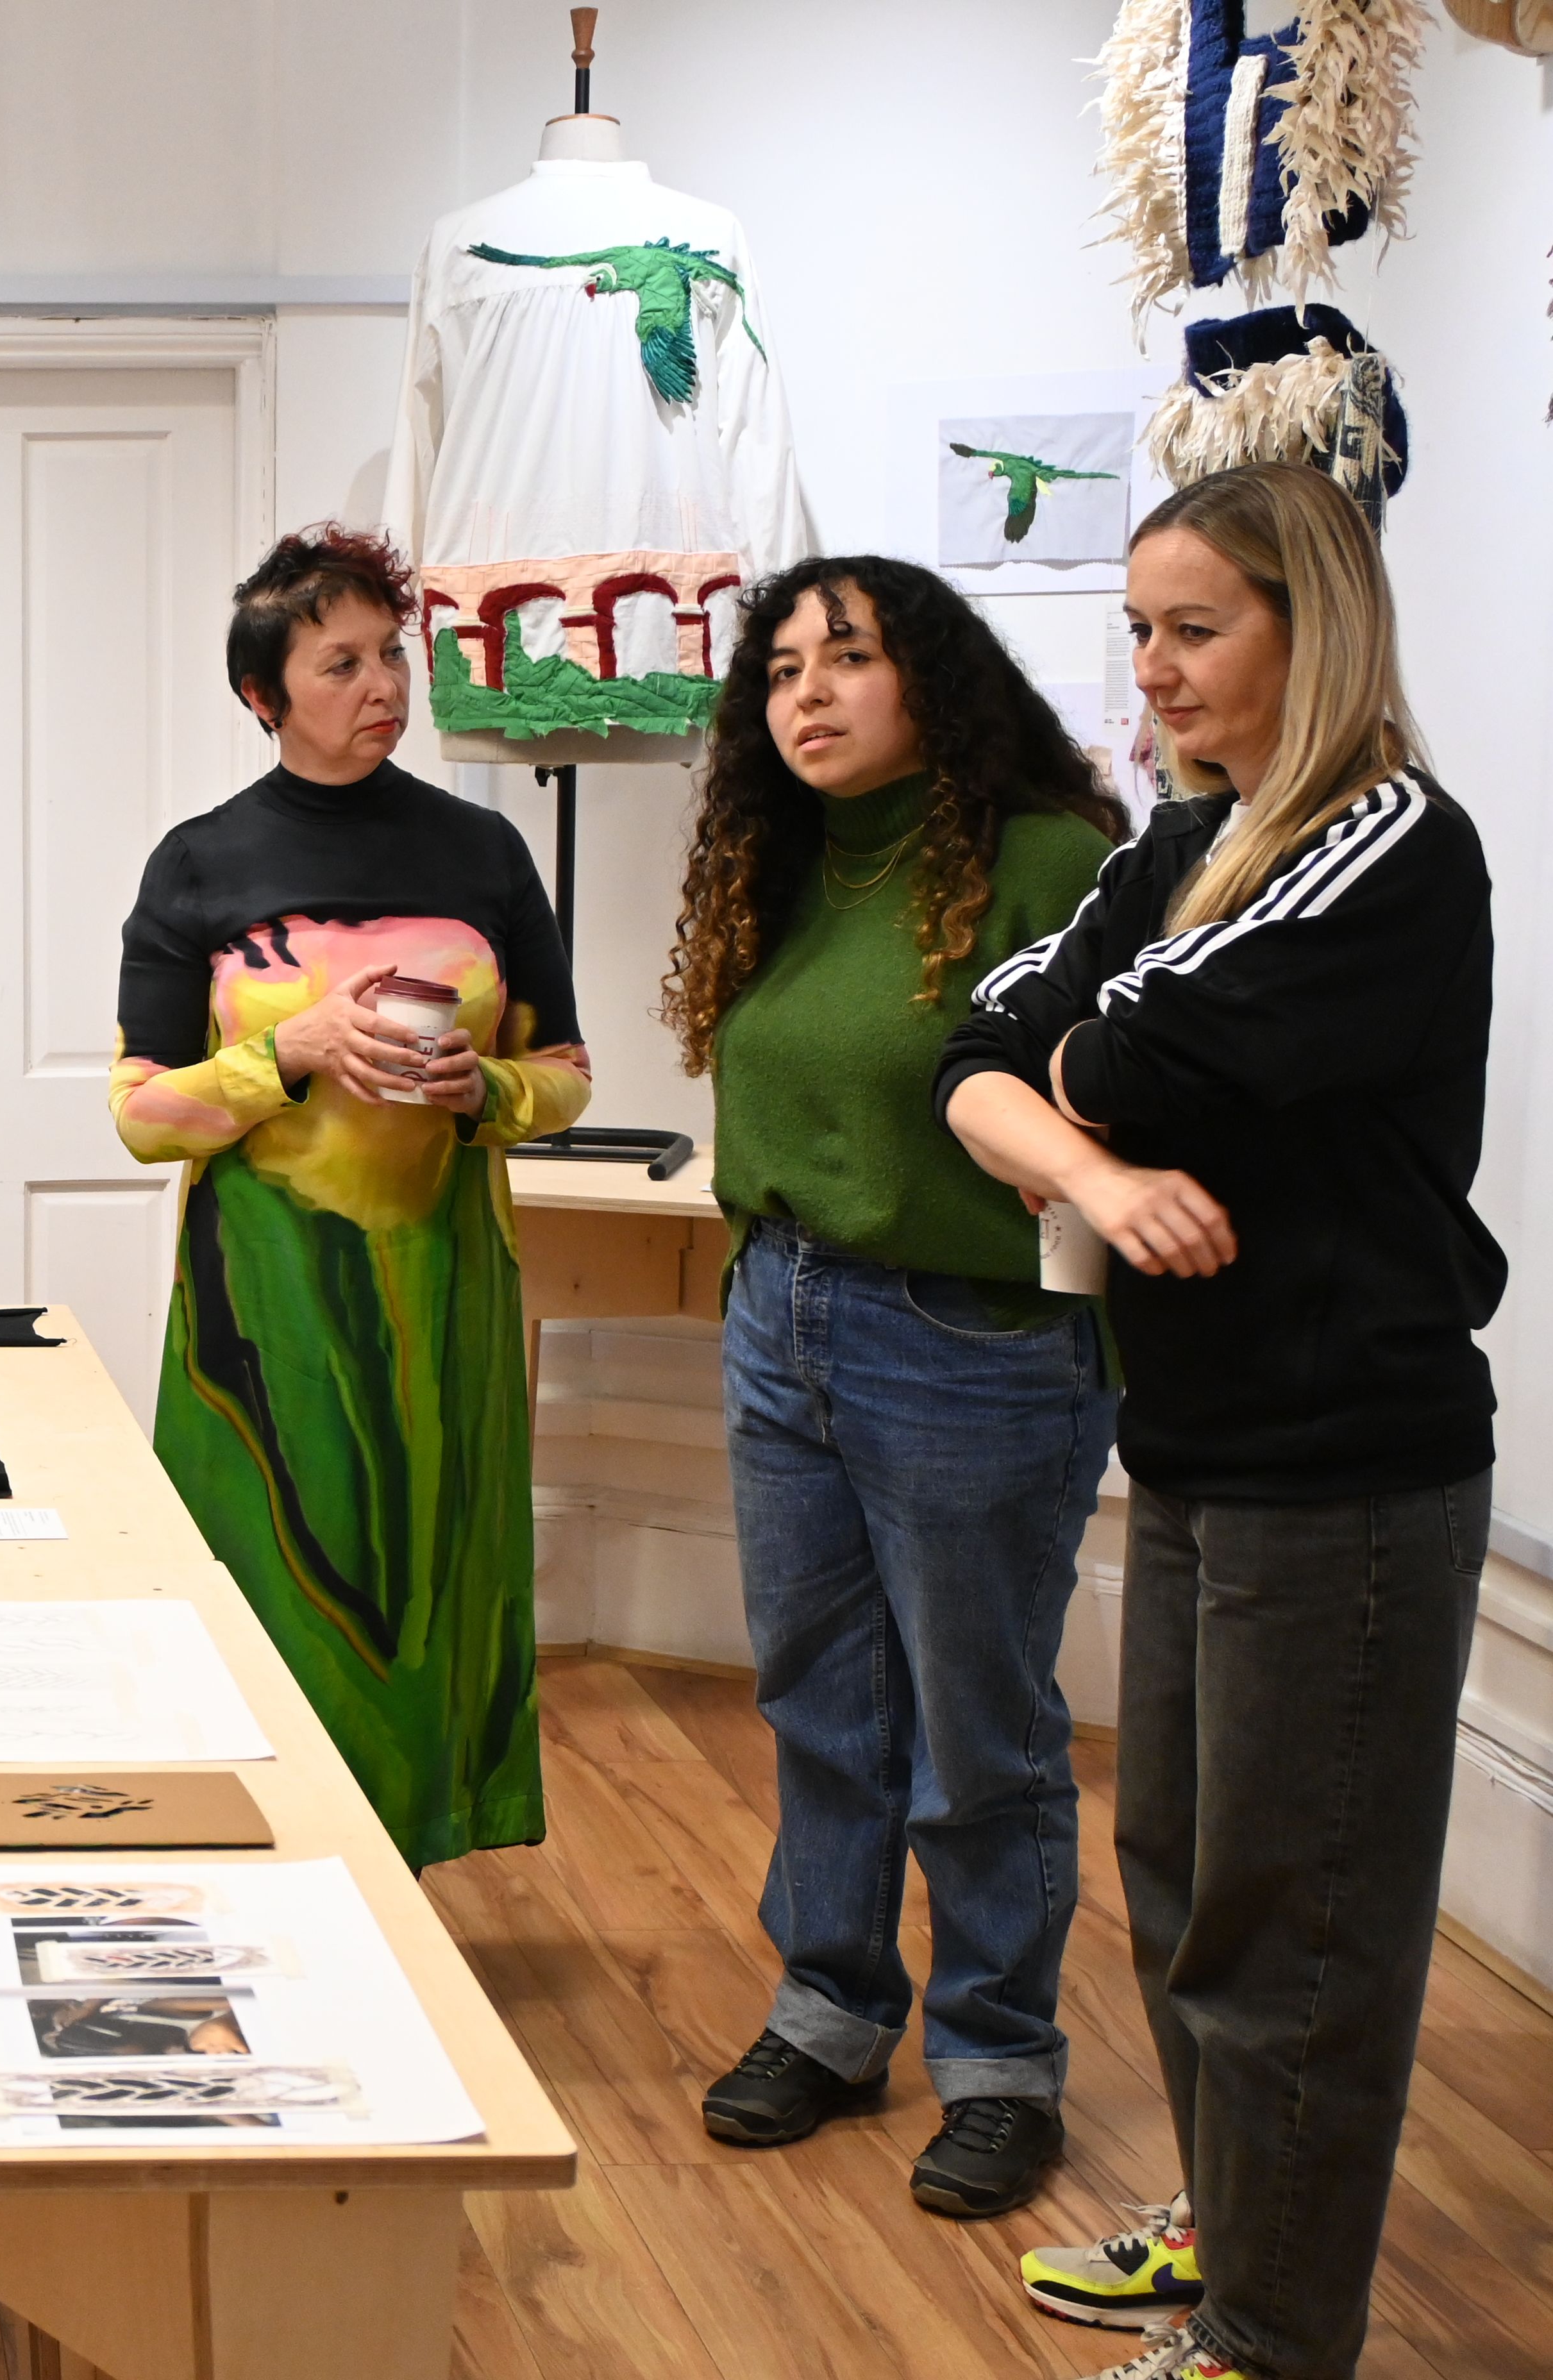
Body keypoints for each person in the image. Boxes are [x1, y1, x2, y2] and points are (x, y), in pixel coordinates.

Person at [939, 463, 1499, 2380]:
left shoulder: (1381, 840)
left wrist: (1066, 1093)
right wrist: (1090, 1168)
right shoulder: (1180, 841)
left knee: (1295, 1933)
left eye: (1195, 629)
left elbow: (1119, 1044)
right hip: (1189, 1443)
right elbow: (969, 1057)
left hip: (1343, 1473)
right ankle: (1228, 2224)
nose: (1154, 669)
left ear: (1307, 627)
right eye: (1140, 632)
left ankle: (1269, 2336)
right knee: (1185, 1891)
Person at [657, 556, 1127, 2218]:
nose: (808, 693)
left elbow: (1113, 1105)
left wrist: (1090, 1311)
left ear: (936, 675)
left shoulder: (1046, 860)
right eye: (783, 669)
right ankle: (833, 2010)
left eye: (847, 657)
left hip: (970, 1339)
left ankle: (1000, 2060)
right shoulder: (788, 859)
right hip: (782, 1307)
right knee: (820, 1696)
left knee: (978, 1727)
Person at [110, 523, 592, 1867]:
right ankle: (258, 1864)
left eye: (392, 655)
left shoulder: (484, 851)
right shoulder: (198, 863)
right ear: (261, 694)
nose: (383, 685)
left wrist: (484, 1091)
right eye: (341, 663)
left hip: (444, 1284)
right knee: (270, 1578)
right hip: (259, 1302)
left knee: (425, 1581)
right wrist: (288, 1053)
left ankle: (397, 1881)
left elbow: (567, 1074)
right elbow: (141, 1114)